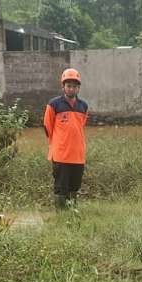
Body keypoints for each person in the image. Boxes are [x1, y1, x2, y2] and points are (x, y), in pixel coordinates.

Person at [43, 68, 89, 209]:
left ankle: (72, 211)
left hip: (78, 155)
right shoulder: (54, 104)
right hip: (61, 154)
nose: (71, 89)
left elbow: (80, 126)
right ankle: (61, 215)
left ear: (78, 88)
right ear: (63, 86)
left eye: (74, 86)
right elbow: (47, 126)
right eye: (68, 86)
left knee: (74, 187)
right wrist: (59, 142)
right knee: (60, 187)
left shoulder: (83, 106)